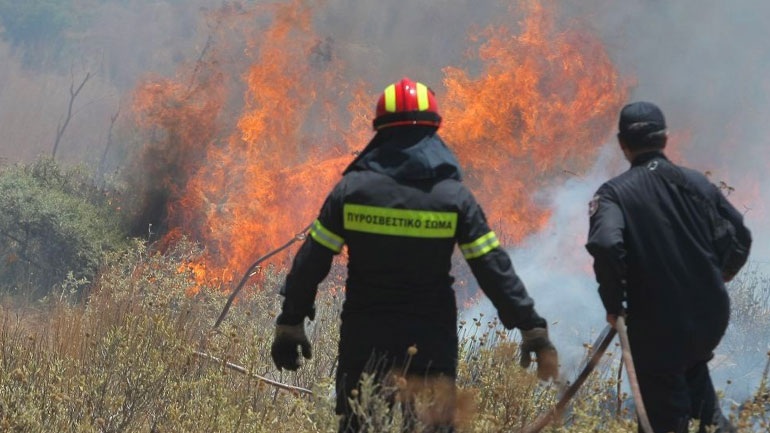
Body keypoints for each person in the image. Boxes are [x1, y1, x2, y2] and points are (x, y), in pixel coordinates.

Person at [271, 77, 559, 432]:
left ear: (380, 132)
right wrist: (530, 326)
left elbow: (310, 262)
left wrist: (291, 321)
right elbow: (492, 268)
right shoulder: (452, 197)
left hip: (366, 338)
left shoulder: (352, 191)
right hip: (431, 342)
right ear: (433, 131)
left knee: (361, 424)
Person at [585, 101, 752, 433]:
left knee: (667, 417)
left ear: (623, 144)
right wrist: (721, 276)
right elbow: (740, 238)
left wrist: (613, 304)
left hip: (657, 325)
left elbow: (606, 244)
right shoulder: (696, 184)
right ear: (665, 138)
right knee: (698, 395)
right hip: (708, 318)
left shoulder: (614, 195)